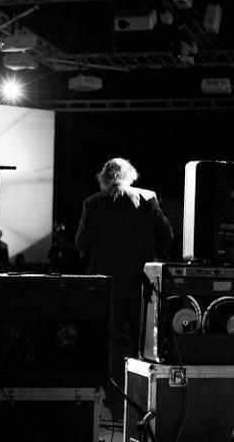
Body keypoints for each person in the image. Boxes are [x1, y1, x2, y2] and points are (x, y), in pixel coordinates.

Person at [74, 157, 173, 388]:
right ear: (130, 175)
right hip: (141, 283)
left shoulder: (93, 203)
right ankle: (141, 391)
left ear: (104, 178)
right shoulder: (148, 198)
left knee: (111, 342)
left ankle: (113, 392)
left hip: (107, 285)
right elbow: (167, 234)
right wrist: (152, 258)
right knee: (143, 342)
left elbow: (81, 243)